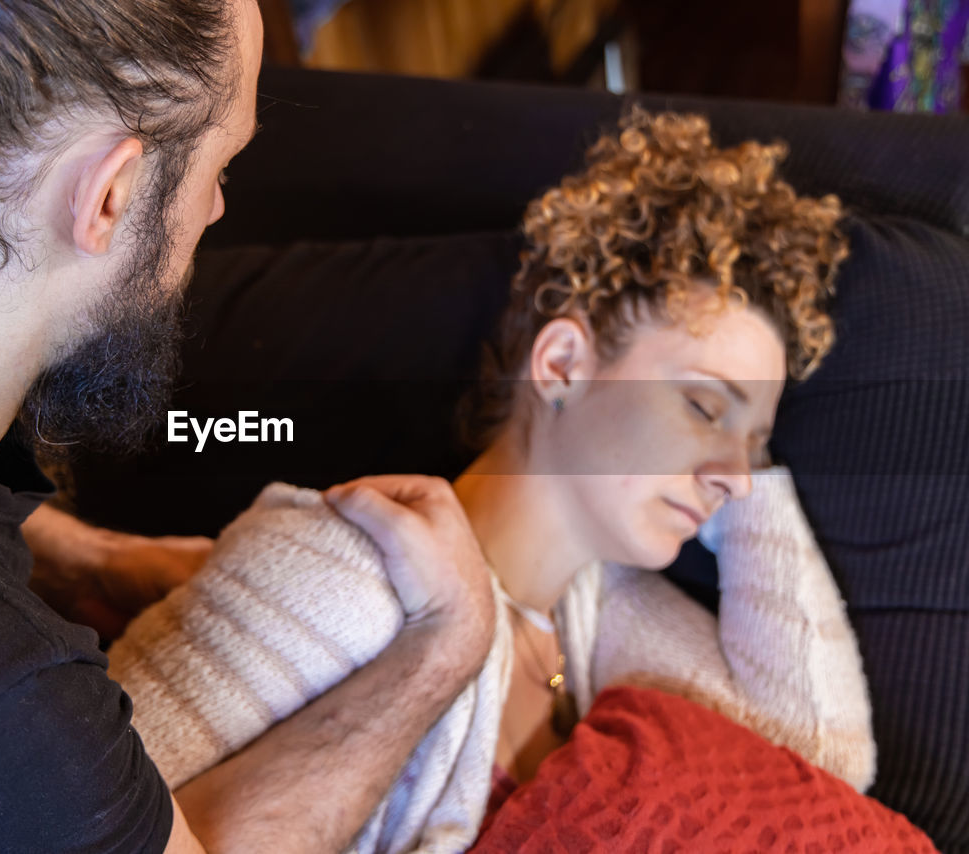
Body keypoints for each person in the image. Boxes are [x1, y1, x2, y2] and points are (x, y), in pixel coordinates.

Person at [0, 1, 499, 851]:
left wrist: (89, 557)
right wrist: (442, 650)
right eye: (221, 167)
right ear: (107, 195)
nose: (216, 210)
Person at [105, 110, 882, 851]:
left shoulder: (594, 617)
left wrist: (749, 460)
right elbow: (57, 820)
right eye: (703, 404)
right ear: (563, 365)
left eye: (757, 445)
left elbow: (820, 759)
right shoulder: (347, 572)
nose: (738, 479)